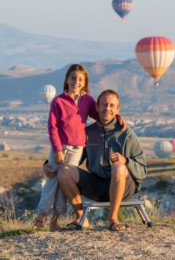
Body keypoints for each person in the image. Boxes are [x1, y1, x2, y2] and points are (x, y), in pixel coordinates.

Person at [34, 65, 125, 231]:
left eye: (80, 79)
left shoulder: (87, 100)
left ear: (85, 83)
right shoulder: (58, 101)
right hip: (60, 147)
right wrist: (57, 151)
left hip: (77, 149)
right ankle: (40, 218)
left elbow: (100, 114)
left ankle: (54, 221)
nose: (76, 82)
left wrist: (117, 116)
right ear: (67, 80)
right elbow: (52, 128)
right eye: (73, 78)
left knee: (64, 183)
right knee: (52, 181)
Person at [58, 89, 147, 231]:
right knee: (65, 172)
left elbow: (143, 171)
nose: (108, 108)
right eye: (104, 104)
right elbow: (72, 157)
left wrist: (126, 161)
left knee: (118, 166)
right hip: (97, 185)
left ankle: (113, 219)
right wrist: (48, 164)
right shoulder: (88, 133)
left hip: (124, 187)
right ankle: (81, 217)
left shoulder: (127, 134)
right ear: (97, 107)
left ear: (118, 109)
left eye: (112, 105)